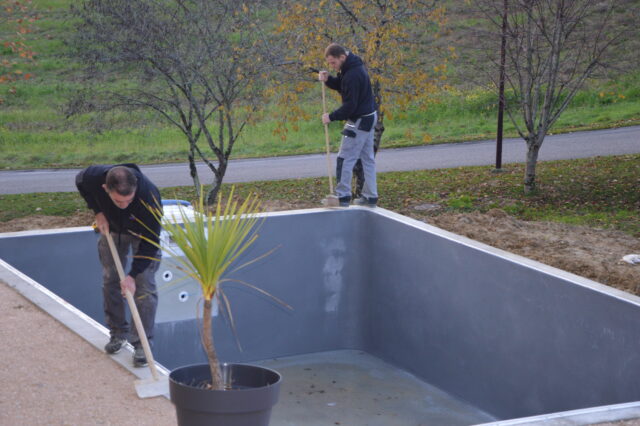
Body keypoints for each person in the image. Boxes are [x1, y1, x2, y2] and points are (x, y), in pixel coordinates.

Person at [75, 164, 162, 367]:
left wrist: (132, 276)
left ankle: (142, 344)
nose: (123, 205)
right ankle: (117, 334)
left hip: (142, 234)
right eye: (117, 200)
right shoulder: (93, 177)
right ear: (105, 188)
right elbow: (80, 182)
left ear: (135, 188)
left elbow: (151, 244)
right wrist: (98, 211)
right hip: (112, 230)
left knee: (144, 286)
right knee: (110, 279)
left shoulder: (150, 197)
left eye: (128, 200)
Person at [319, 43, 378, 207]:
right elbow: (342, 85)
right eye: (330, 63)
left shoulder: (352, 74)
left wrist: (331, 117)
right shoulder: (351, 66)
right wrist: (328, 80)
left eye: (333, 63)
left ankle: (343, 196)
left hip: (359, 120)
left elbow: (350, 105)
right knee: (367, 159)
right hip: (369, 116)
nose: (332, 66)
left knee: (344, 158)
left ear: (342, 57)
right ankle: (371, 196)